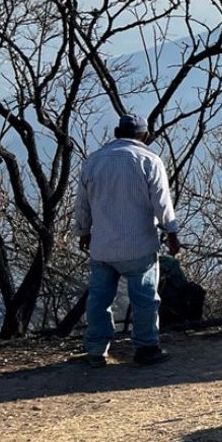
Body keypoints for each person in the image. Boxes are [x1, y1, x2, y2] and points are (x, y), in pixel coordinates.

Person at [71, 112, 180, 367]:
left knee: (99, 299)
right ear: (144, 136)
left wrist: (83, 232)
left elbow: (82, 204)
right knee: (144, 299)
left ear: (118, 133)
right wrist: (171, 233)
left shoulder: (94, 161)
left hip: (103, 247)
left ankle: (96, 351)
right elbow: (162, 203)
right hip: (139, 245)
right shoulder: (149, 160)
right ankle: (145, 348)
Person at [157, 253, 205, 327]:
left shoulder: (169, 262)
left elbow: (183, 285)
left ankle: (195, 321)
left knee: (196, 290)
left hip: (179, 306)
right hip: (160, 309)